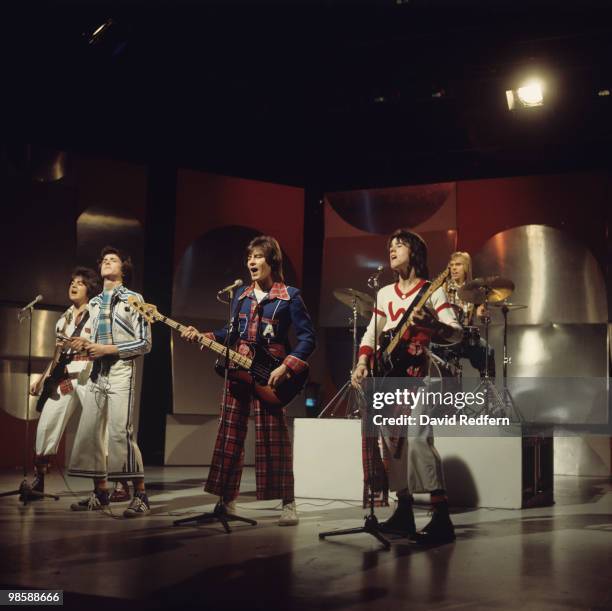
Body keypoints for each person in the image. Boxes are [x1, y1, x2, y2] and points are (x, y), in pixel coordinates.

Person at [181, 235, 316, 526]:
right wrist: (203, 336)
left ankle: (288, 503)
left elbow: (307, 338)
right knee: (230, 435)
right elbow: (230, 333)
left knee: (274, 438)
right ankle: (226, 500)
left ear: (272, 261)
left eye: (257, 256)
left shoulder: (289, 296)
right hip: (238, 371)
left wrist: (287, 368)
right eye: (249, 257)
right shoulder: (240, 296)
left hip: (270, 374)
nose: (251, 262)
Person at [351, 229, 462, 544]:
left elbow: (455, 333)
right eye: (390, 245)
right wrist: (362, 362)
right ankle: (404, 511)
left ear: (415, 253)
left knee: (415, 438)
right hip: (390, 378)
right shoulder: (384, 293)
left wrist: (432, 325)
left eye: (399, 245)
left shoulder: (431, 290)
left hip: (422, 375)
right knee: (393, 444)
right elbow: (372, 333)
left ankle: (441, 516)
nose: (392, 249)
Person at [67, 246, 152, 518]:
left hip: (120, 370)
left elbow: (145, 343)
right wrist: (86, 344)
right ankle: (101, 493)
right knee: (91, 432)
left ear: (123, 269)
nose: (106, 262)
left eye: (113, 259)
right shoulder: (93, 303)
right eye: (104, 259)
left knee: (119, 432)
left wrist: (108, 350)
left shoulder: (134, 298)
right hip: (96, 371)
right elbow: (97, 340)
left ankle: (140, 495)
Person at [25, 268, 101, 501]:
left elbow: (104, 345)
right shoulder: (63, 319)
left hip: (90, 374)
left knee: (96, 429)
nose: (74, 285)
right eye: (72, 282)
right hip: (65, 376)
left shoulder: (98, 314)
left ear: (90, 289)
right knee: (47, 422)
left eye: (81, 283)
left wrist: (86, 345)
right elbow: (57, 353)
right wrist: (43, 376)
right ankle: (39, 479)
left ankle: (108, 486)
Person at [442, 251, 495, 378]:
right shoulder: (443, 287)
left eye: (458, 264)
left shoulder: (474, 291)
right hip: (447, 336)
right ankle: (450, 394)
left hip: (466, 337)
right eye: (452, 265)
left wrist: (482, 315)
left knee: (488, 351)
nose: (454, 268)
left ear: (466, 267)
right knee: (447, 363)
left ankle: (488, 391)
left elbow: (481, 314)